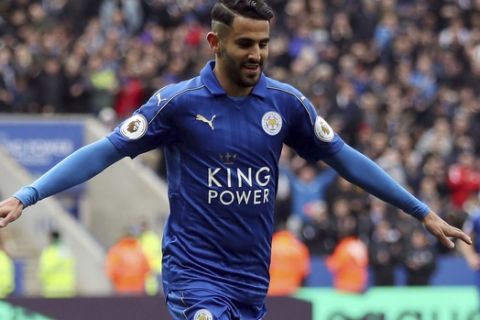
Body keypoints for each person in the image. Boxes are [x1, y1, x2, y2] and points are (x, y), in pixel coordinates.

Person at [0, 0, 472, 318]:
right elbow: (104, 150)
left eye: (264, 44)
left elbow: (346, 159)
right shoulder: (178, 104)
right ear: (215, 42)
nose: (257, 54)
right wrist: (28, 194)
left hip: (251, 279)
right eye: (246, 43)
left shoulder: (285, 104)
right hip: (194, 274)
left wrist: (422, 212)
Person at [105, 229, 151, 295]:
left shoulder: (116, 251)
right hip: (137, 291)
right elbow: (147, 269)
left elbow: (110, 271)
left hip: (121, 290)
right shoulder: (140, 251)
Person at [267, 227, 310, 296]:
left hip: (270, 290)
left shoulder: (269, 245)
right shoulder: (299, 247)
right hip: (292, 290)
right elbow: (304, 271)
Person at [38, 230, 76, 298]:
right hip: (67, 289)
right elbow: (72, 267)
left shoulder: (48, 252)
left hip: (52, 289)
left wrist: (41, 281)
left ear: (51, 238)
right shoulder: (67, 251)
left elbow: (44, 270)